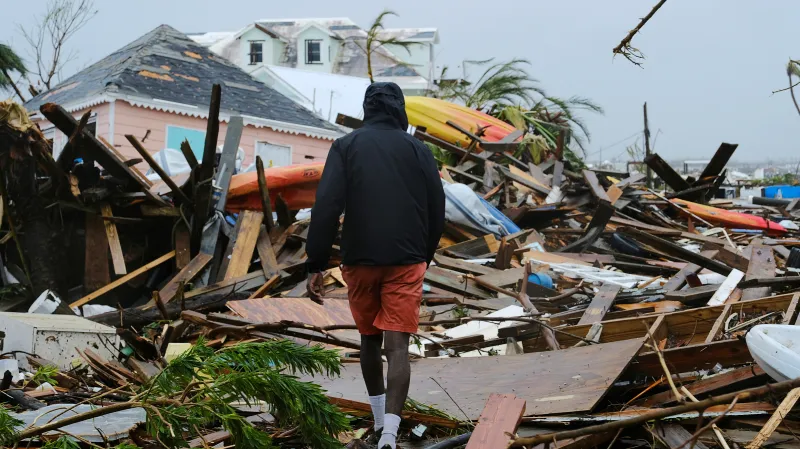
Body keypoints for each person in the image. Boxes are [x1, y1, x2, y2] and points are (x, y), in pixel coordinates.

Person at [305, 82, 445, 449]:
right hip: (406, 260)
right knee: (398, 347)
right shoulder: (418, 149)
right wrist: (424, 255)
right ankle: (389, 436)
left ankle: (379, 421)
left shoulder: (346, 146)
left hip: (360, 258)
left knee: (369, 339)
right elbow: (437, 209)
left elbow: (326, 205)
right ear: (400, 109)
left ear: (367, 108)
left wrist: (315, 262)